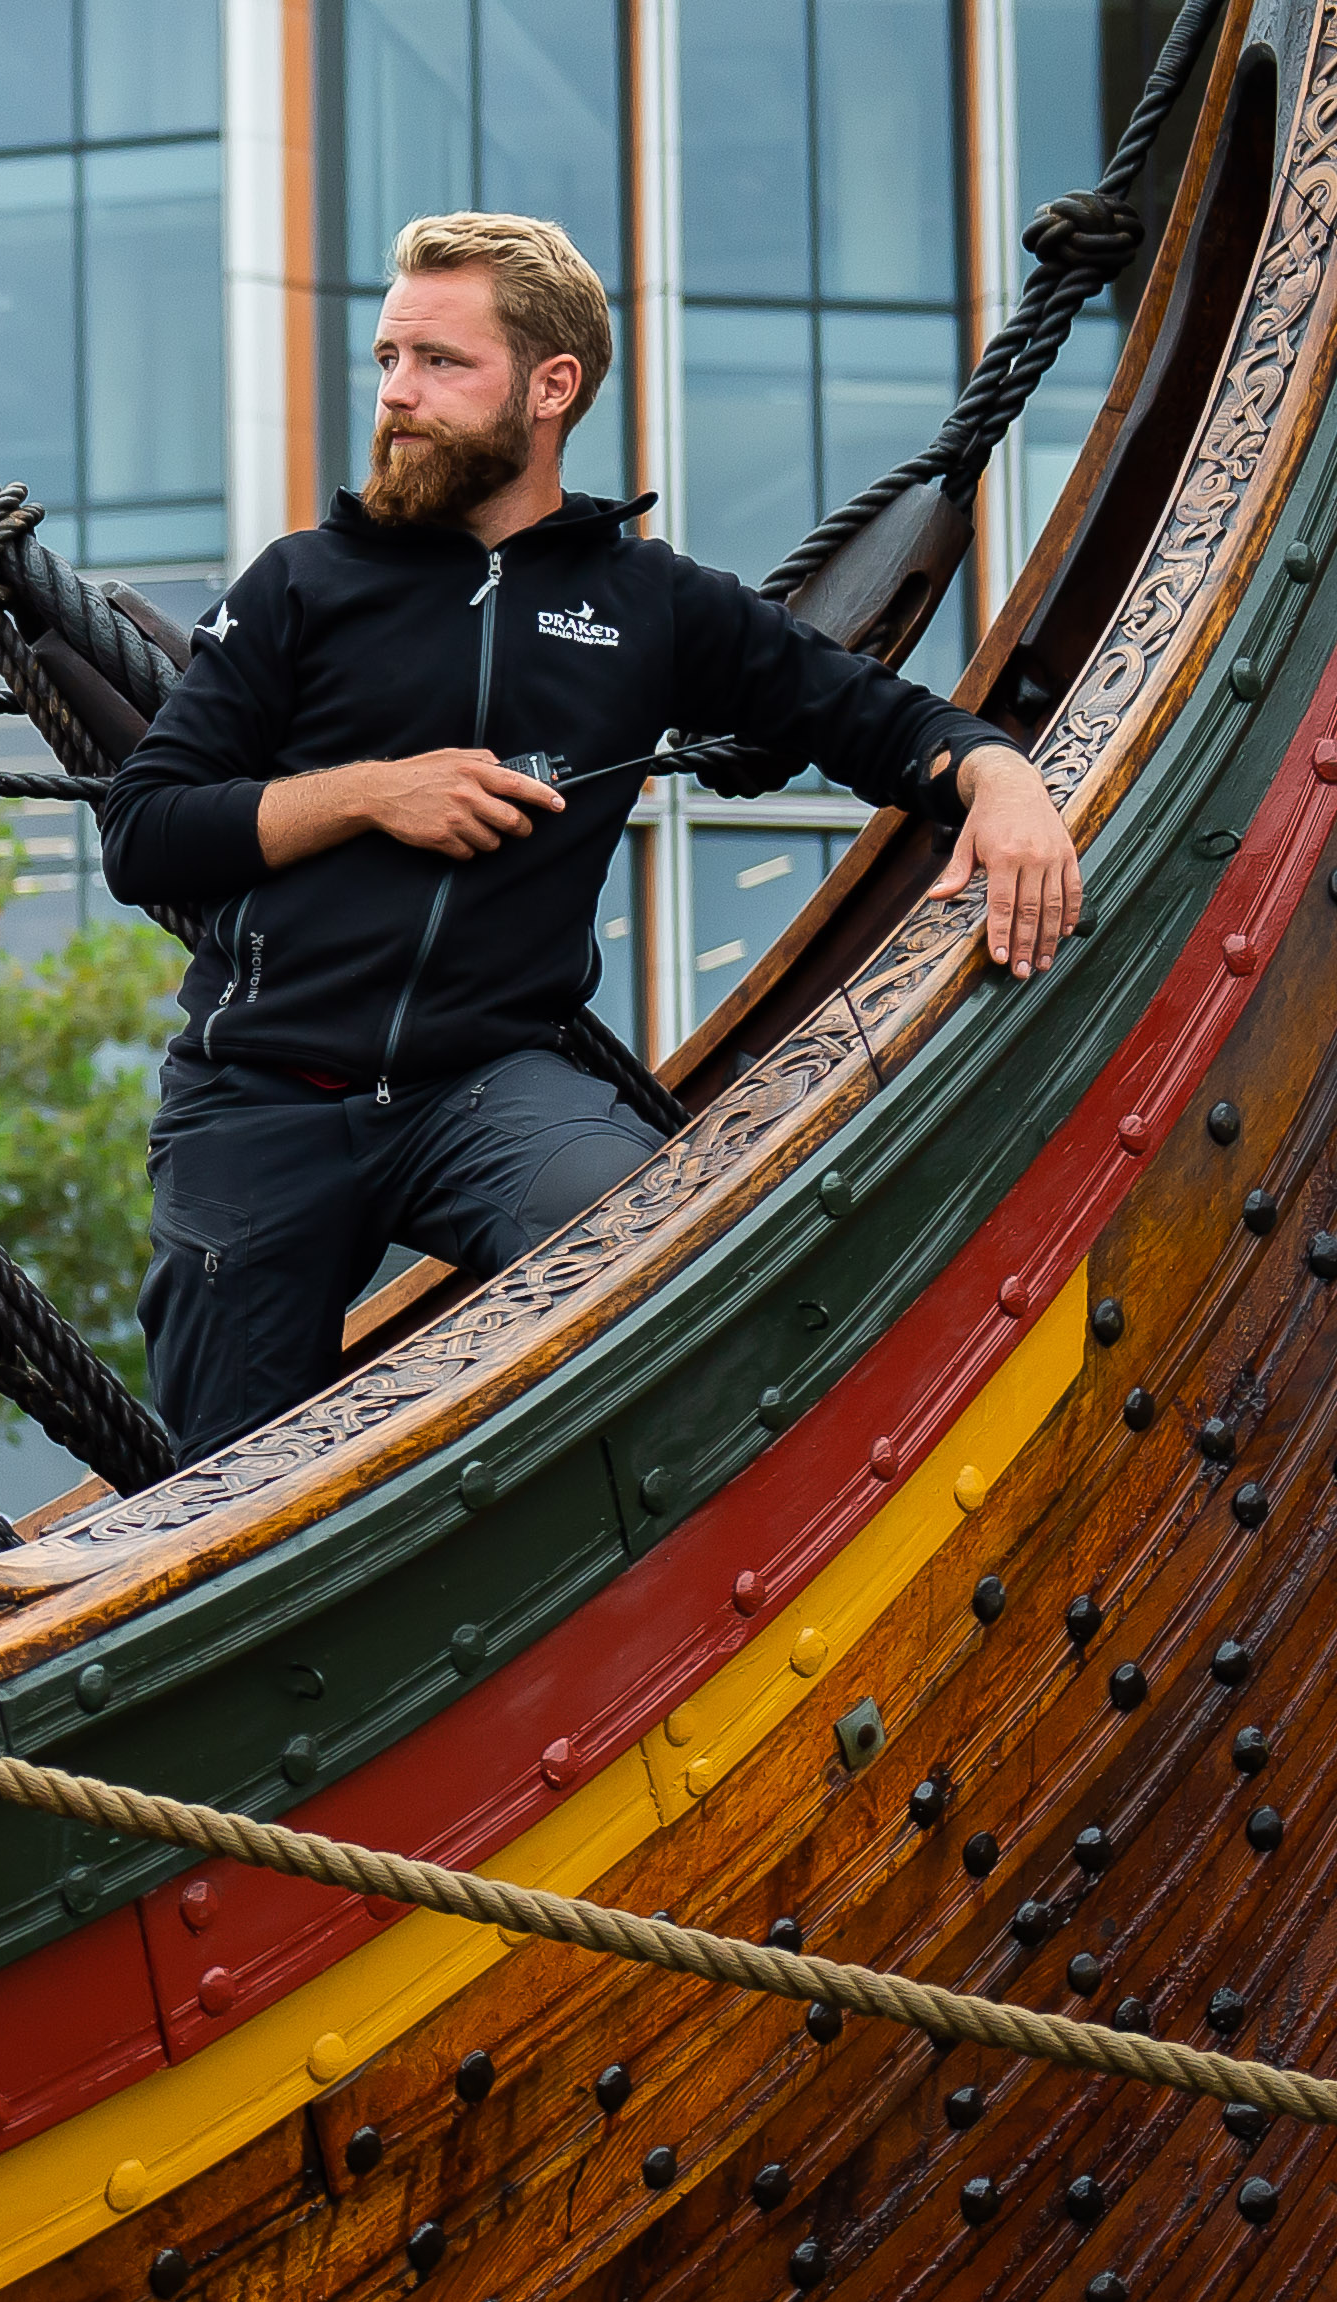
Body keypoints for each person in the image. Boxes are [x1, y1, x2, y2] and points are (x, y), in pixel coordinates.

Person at [100, 212, 1084, 1463]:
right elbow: (144, 833)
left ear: (550, 386)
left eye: (438, 362)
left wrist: (996, 775)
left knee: (668, 1268)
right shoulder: (300, 582)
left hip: (485, 1091)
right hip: (257, 1102)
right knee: (227, 1497)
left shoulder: (645, 602)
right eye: (389, 358)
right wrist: (373, 792)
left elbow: (869, 717)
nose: (396, 393)